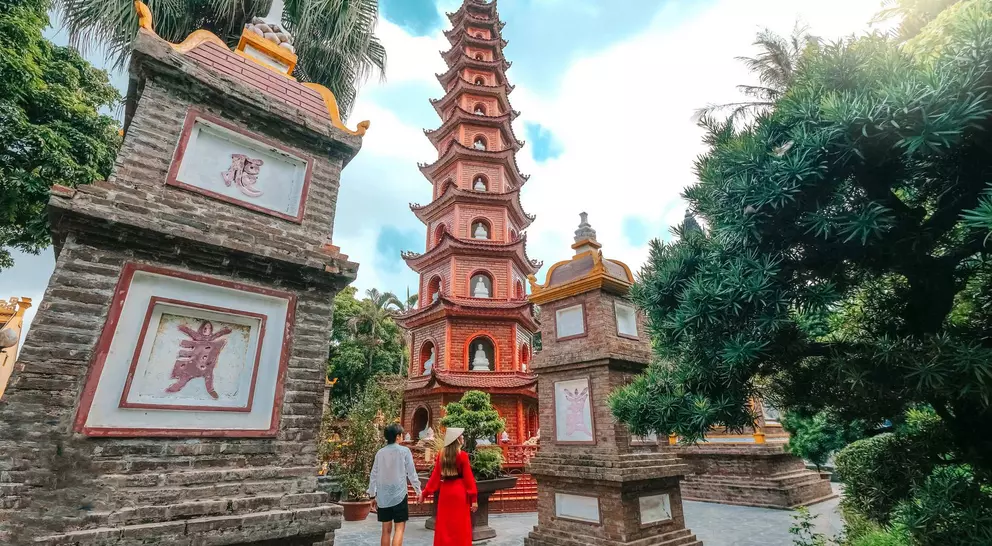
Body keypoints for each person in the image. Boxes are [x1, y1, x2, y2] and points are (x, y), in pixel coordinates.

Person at [418, 427, 478, 546]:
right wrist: (474, 499)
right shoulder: (463, 456)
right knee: (460, 525)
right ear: (457, 440)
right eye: (461, 436)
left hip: (446, 492)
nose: (462, 438)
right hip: (459, 492)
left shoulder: (441, 455)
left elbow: (435, 478)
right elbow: (469, 479)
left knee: (445, 525)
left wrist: (424, 494)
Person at [368, 423, 422, 546]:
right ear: (398, 436)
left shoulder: (380, 453)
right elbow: (412, 474)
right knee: (399, 529)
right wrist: (418, 491)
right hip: (399, 495)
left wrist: (372, 495)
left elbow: (373, 475)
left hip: (383, 497)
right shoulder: (404, 451)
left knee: (385, 530)